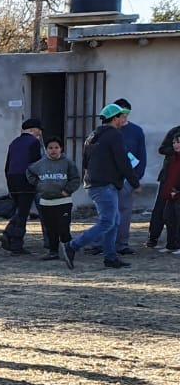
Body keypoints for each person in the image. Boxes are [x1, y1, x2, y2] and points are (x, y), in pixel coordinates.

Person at [60, 103, 142, 270]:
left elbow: (85, 162)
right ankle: (73, 246)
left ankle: (110, 257)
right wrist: (135, 182)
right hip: (105, 184)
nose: (123, 120)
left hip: (94, 183)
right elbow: (123, 161)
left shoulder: (92, 136)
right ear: (115, 118)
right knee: (107, 221)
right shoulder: (114, 135)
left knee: (114, 221)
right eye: (121, 117)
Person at [26, 137, 81, 260]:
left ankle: (68, 250)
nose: (53, 150)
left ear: (61, 148)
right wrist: (38, 185)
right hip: (46, 202)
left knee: (63, 227)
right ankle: (53, 251)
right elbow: (29, 171)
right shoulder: (40, 163)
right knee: (50, 228)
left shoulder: (68, 162)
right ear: (46, 150)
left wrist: (68, 190)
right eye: (50, 148)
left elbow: (75, 178)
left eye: (56, 147)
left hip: (63, 201)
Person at [0, 118, 45, 254]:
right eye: (39, 129)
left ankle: (11, 236)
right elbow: (35, 164)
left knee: (19, 209)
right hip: (26, 179)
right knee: (23, 212)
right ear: (33, 130)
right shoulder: (34, 143)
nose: (41, 133)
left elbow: (7, 165)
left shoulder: (14, 143)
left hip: (12, 179)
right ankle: (13, 240)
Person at [110, 99, 146, 255]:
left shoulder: (136, 131)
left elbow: (141, 154)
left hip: (128, 179)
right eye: (120, 114)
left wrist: (136, 178)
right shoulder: (106, 131)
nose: (123, 118)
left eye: (125, 114)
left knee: (125, 212)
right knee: (107, 212)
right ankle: (103, 243)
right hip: (109, 178)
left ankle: (121, 244)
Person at [146, 124, 180, 250]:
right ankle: (153, 237)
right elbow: (162, 149)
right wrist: (175, 149)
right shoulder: (175, 131)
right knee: (161, 208)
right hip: (169, 175)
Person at [156, 132, 180, 253]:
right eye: (174, 142)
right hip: (170, 194)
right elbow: (169, 176)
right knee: (168, 217)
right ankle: (171, 245)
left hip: (178, 194)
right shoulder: (172, 158)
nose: (176, 145)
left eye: (178, 142)